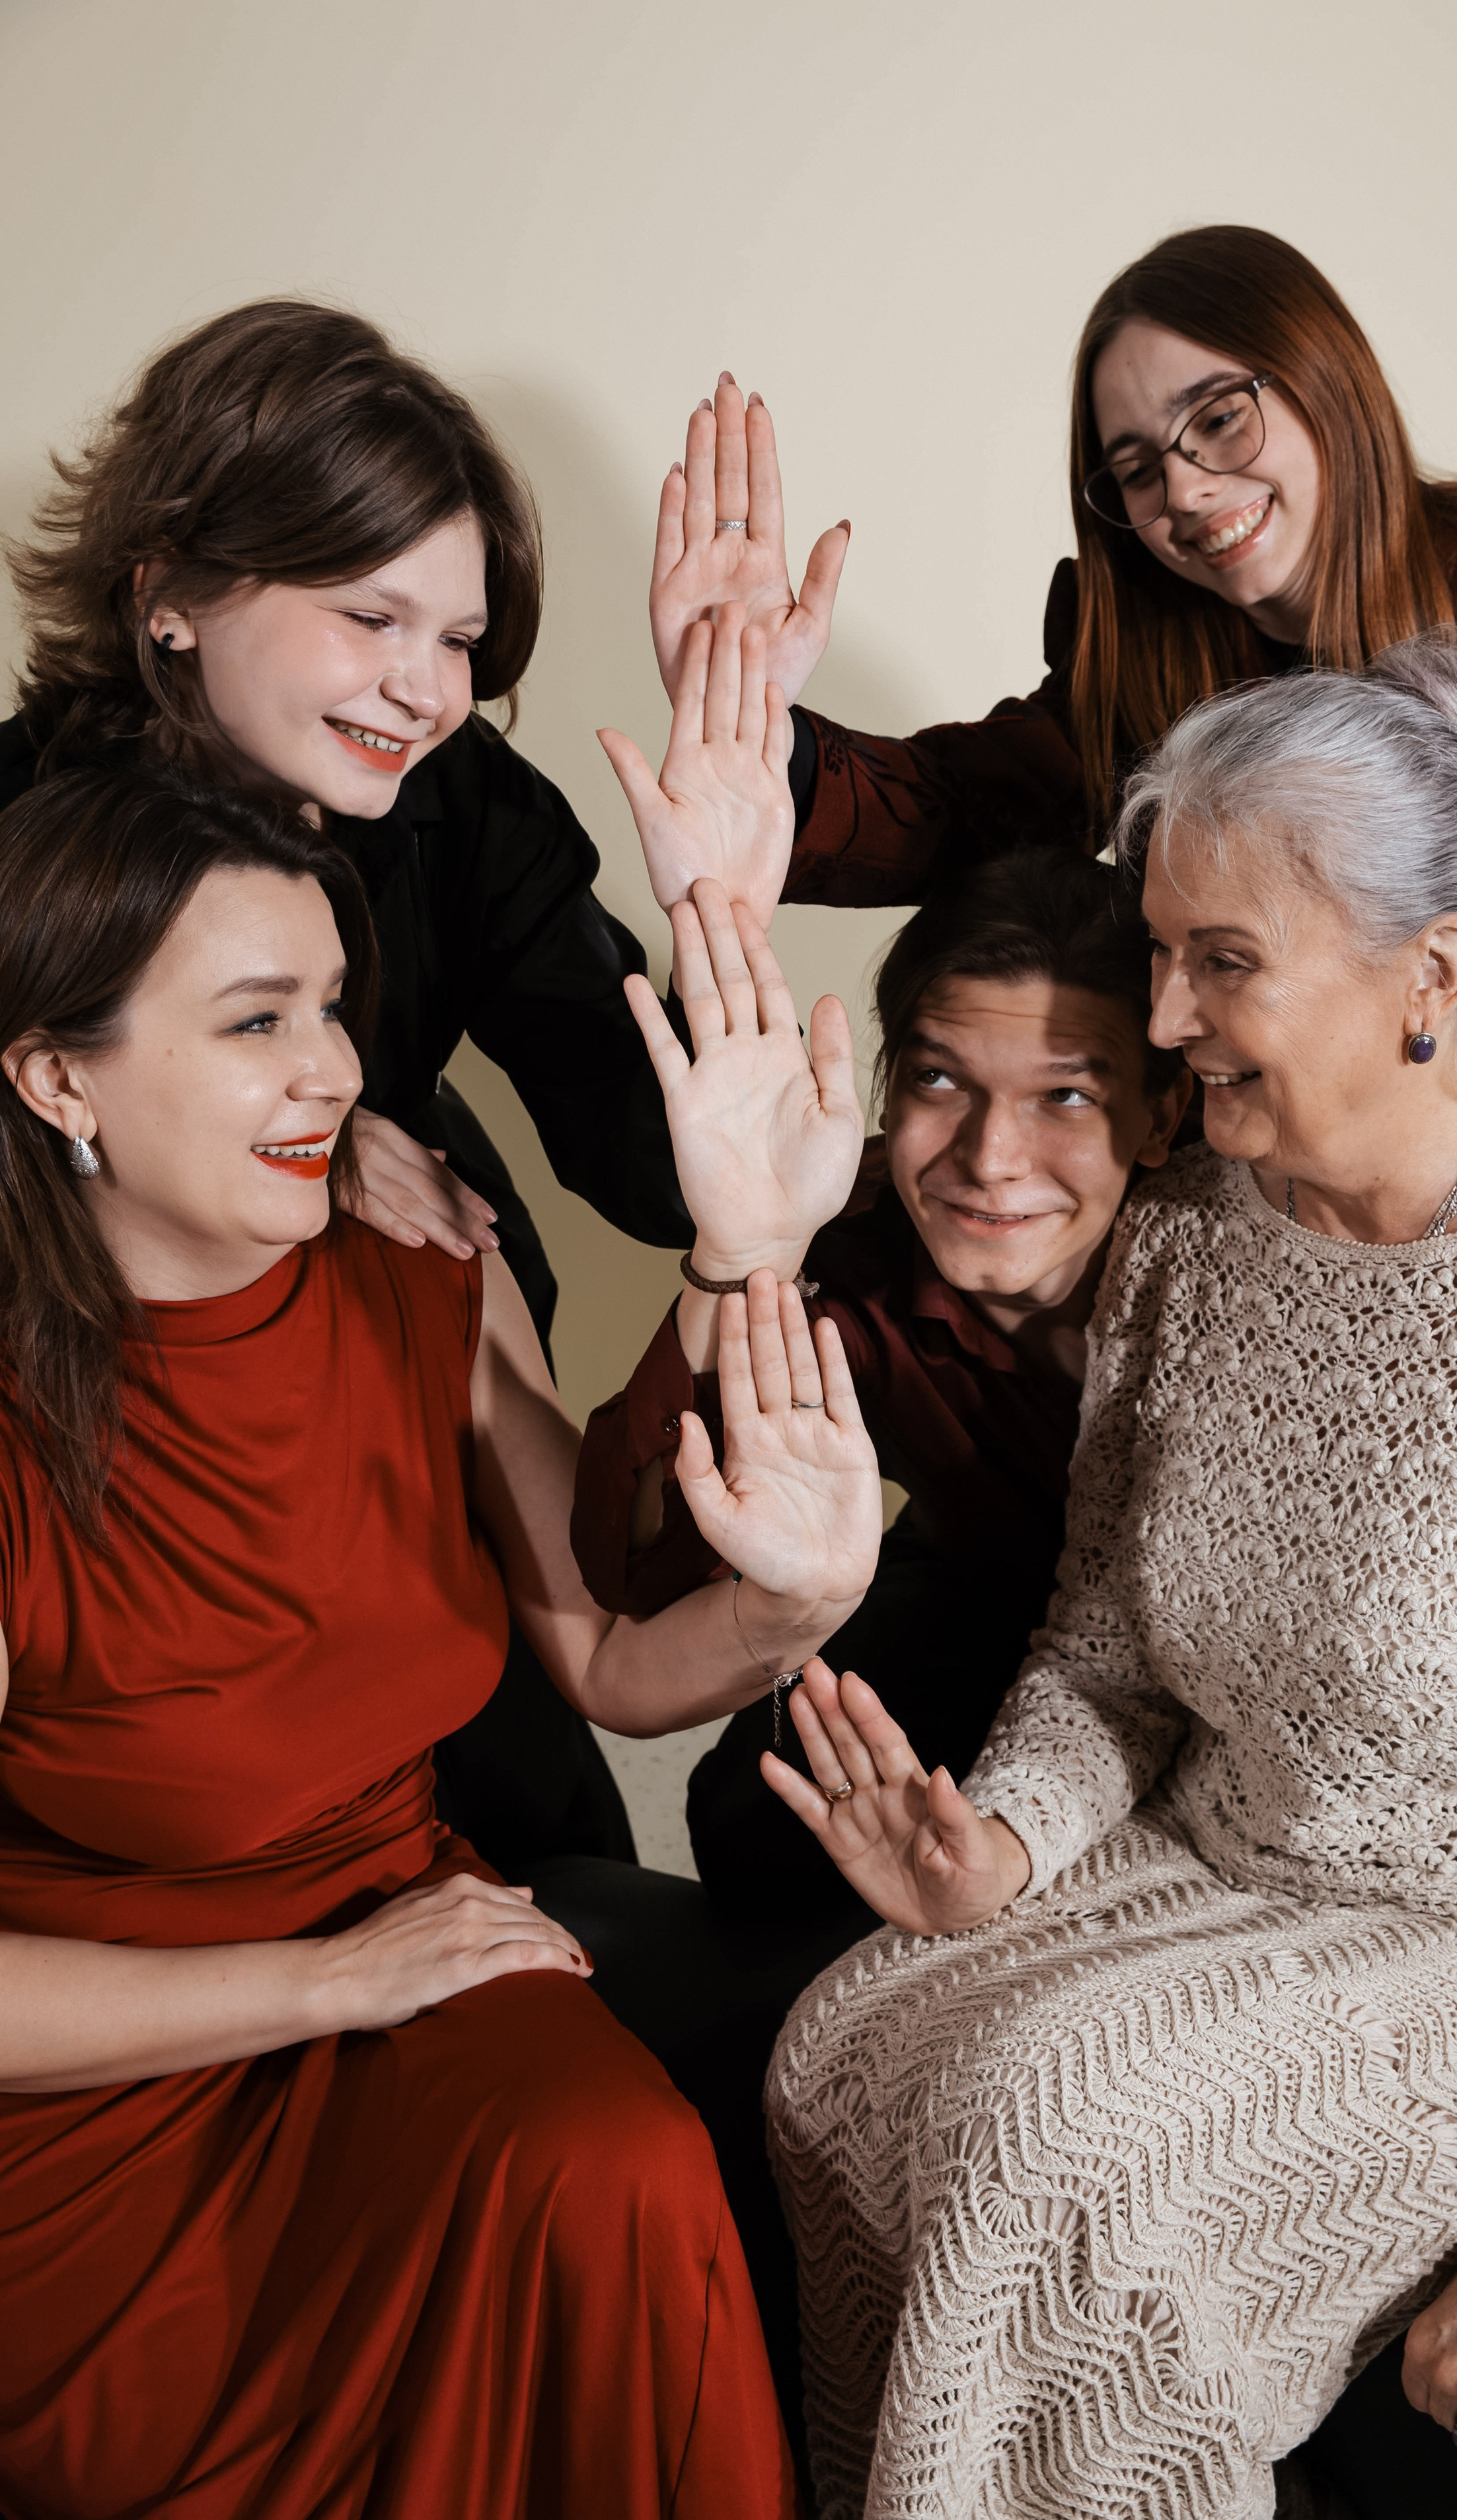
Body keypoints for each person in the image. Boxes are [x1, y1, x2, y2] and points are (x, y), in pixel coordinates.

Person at [756, 633, 1457, 2520]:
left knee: (1053, 2154)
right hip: (1209, 1859)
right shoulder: (1192, 1239)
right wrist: (1000, 1845)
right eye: (1163, 951)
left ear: (1430, 973)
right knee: (836, 2043)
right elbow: (1107, 1653)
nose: (1163, 1018)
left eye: (1221, 964)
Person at [0, 766, 883, 2519]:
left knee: (618, 2163)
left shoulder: (424, 1280)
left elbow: (618, 1663)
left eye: (333, 1006)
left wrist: (789, 1596)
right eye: (257, 1021)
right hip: (95, 2110)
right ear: (56, 1077)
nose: (332, 1070)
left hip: (415, 1955)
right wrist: (330, 1979)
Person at [0, 296, 761, 1868]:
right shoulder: (19, 829)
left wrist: (723, 899)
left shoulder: (460, 798)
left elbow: (641, 1147)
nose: (424, 688)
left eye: (462, 640)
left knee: (523, 1827)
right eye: (370, 617)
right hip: (92, 1423)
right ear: (171, 598)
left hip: (403, 1339)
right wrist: (317, 1132)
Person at [646, 225, 1457, 1133]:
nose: (1187, 489)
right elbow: (973, 809)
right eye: (1139, 468)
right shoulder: (1158, 664)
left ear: (1328, 379)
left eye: (1221, 418)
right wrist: (745, 713)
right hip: (1295, 1208)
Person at [574, 846, 1189, 1933]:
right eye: (938, 1082)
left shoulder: (1245, 1252)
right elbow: (643, 1571)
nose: (991, 1157)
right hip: (995, 1592)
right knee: (755, 1818)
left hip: (1224, 1664)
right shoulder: (847, 1241)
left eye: (1065, 1097)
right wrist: (738, 1251)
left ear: (1159, 1117)